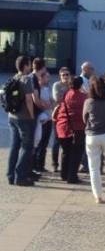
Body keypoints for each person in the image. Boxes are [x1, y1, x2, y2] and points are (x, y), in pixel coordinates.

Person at [6, 56, 36, 186]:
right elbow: (29, 99)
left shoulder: (13, 77)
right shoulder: (26, 80)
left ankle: (10, 175)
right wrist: (32, 115)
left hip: (12, 117)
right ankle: (20, 176)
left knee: (14, 146)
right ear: (25, 66)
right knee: (27, 147)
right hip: (24, 118)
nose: (30, 68)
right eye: (29, 65)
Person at [55, 76, 87, 184]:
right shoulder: (83, 97)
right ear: (81, 85)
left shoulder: (67, 94)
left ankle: (64, 174)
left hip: (62, 127)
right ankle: (72, 176)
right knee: (76, 153)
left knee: (66, 152)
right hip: (76, 128)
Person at [33, 71, 53, 173]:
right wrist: (44, 104)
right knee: (39, 144)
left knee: (45, 144)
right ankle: (35, 166)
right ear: (41, 78)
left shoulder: (48, 88)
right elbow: (37, 101)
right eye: (47, 77)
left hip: (49, 118)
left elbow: (51, 100)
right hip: (42, 119)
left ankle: (41, 165)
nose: (48, 79)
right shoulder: (38, 89)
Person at [51, 67, 71, 172]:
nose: (66, 77)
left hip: (69, 116)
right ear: (60, 76)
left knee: (68, 141)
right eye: (63, 75)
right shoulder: (57, 85)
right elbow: (57, 99)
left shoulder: (71, 85)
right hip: (58, 115)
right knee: (56, 140)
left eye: (67, 74)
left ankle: (67, 165)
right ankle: (55, 164)